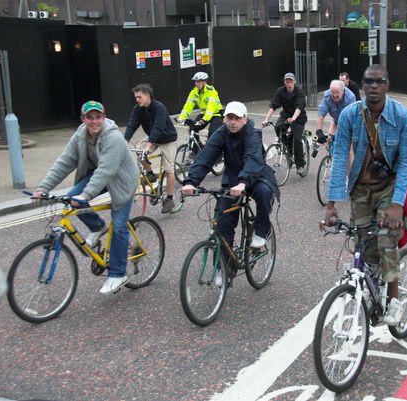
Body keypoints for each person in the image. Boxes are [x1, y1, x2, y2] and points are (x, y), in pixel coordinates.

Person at [324, 64, 407, 326]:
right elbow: (340, 156)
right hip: (360, 188)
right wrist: (331, 203)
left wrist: (398, 204)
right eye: (368, 82)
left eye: (379, 82)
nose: (373, 87)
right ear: (362, 86)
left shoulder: (401, 116)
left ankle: (395, 298)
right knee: (363, 245)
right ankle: (371, 285)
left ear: (387, 84)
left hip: (389, 187)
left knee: (386, 237)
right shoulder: (349, 115)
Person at [33, 101, 139, 294]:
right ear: (83, 119)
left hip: (122, 181)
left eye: (98, 117)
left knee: (120, 225)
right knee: (71, 198)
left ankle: (118, 274)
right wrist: (43, 188)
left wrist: (86, 195)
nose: (94, 121)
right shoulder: (81, 134)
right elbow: (65, 162)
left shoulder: (113, 136)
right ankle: (98, 226)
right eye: (89, 117)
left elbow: (106, 171)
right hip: (98, 175)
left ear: (104, 117)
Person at [182, 102, 279, 276]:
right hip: (233, 179)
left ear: (245, 119)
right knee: (223, 222)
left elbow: (252, 157)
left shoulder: (252, 134)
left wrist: (243, 182)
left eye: (236, 118)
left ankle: (261, 232)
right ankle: (223, 268)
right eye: (229, 118)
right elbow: (206, 156)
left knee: (264, 193)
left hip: (257, 175)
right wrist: (191, 181)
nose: (232, 122)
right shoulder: (222, 132)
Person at [124, 83, 178, 213]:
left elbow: (158, 126)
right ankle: (150, 173)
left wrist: (150, 142)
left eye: (139, 97)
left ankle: (169, 199)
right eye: (136, 97)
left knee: (169, 170)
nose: (137, 100)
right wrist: (124, 141)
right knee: (139, 150)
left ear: (148, 95)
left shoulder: (159, 107)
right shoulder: (137, 109)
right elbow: (132, 125)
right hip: (153, 139)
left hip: (167, 140)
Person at [262, 73, 308, 177]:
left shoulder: (298, 91)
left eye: (291, 82)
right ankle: (288, 151)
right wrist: (266, 120)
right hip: (286, 114)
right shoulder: (281, 91)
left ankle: (300, 165)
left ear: (294, 82)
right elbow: (274, 105)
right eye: (287, 82)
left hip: (298, 117)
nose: (289, 84)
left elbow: (299, 106)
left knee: (297, 139)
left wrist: (293, 118)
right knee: (278, 127)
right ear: (284, 82)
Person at [176, 72, 224, 137]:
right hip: (204, 114)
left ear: (204, 82)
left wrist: (205, 119)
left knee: (212, 133)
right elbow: (188, 106)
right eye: (195, 81)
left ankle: (212, 146)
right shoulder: (194, 92)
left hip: (216, 114)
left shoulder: (211, 91)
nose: (197, 84)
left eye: (199, 82)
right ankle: (195, 146)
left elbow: (211, 107)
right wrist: (182, 117)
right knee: (193, 128)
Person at [315, 80, 356, 144]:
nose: (334, 95)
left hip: (348, 123)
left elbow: (351, 119)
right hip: (336, 120)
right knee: (329, 142)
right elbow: (321, 113)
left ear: (343, 91)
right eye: (332, 92)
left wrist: (340, 134)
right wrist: (319, 131)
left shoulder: (350, 98)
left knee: (347, 146)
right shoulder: (327, 96)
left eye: (337, 92)